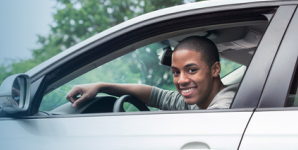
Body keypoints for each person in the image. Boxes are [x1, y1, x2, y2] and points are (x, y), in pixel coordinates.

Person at [65, 36, 237, 110]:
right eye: (176, 72)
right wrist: (100, 86)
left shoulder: (224, 107)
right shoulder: (201, 99)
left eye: (191, 70)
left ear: (215, 69)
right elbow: (156, 96)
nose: (182, 80)